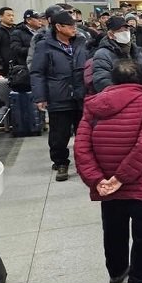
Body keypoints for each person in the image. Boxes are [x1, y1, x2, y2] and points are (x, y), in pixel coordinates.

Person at [74, 59, 142, 283]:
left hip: (107, 186)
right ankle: (138, 279)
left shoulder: (94, 106)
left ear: (113, 80)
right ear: (141, 80)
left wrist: (97, 180)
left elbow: (81, 148)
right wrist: (122, 177)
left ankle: (116, 272)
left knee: (113, 229)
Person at [30, 11, 88, 182]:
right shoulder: (44, 46)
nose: (74, 29)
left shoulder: (81, 42)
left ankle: (84, 162)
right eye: (70, 26)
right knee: (59, 134)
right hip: (58, 95)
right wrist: (40, 97)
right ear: (58, 27)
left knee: (83, 132)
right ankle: (61, 162)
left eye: (75, 25)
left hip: (80, 94)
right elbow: (37, 73)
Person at [92, 16, 142, 93]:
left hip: (140, 96)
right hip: (117, 99)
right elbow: (101, 81)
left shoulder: (136, 51)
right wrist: (126, 94)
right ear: (110, 34)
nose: (125, 32)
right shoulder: (103, 54)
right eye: (120, 31)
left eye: (126, 29)